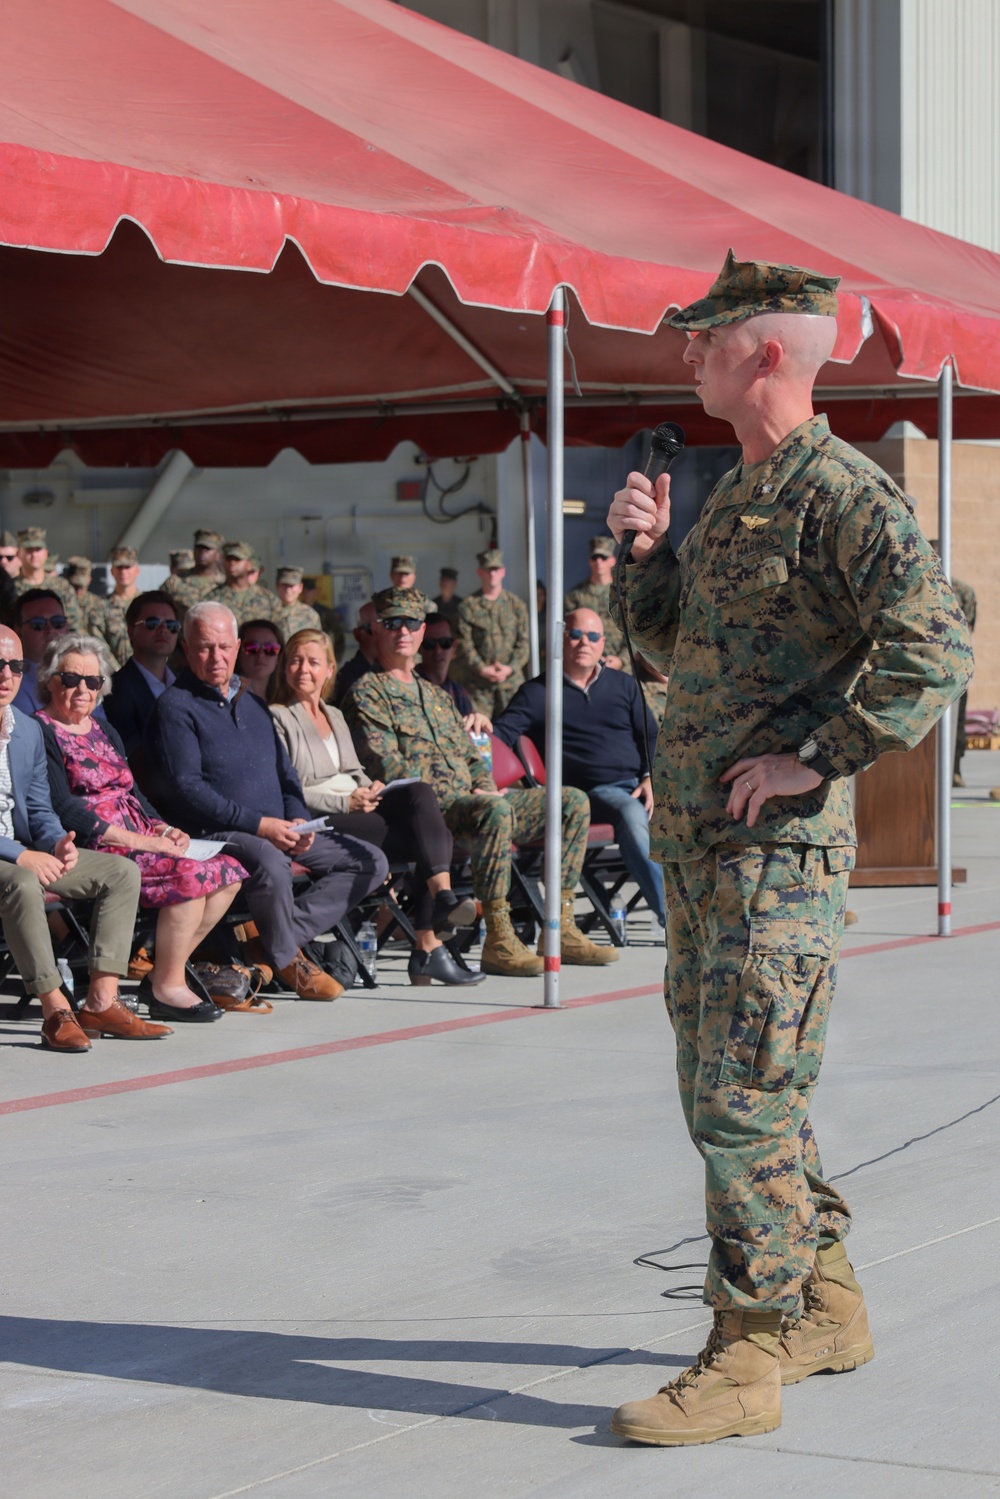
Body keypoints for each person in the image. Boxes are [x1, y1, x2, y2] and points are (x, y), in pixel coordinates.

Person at [604, 251, 973, 1448]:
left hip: (777, 862)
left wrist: (819, 754)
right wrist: (647, 557)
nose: (684, 354)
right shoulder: (740, 493)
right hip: (706, 854)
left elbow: (932, 647)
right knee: (741, 1099)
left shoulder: (843, 493)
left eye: (701, 338)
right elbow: (671, 651)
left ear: (764, 352)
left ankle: (745, 1351)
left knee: (742, 1102)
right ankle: (824, 1301)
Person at [345, 586, 616, 978]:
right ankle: (499, 938)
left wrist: (485, 783)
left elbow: (471, 755)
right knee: (492, 809)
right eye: (392, 624)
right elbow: (388, 768)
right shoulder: (367, 694)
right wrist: (478, 796)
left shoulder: (436, 696)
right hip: (430, 817)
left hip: (474, 805)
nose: (403, 631)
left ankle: (561, 924)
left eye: (411, 623)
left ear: (421, 631)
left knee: (570, 801)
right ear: (376, 631)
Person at [144, 601, 388, 1000]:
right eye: (204, 647)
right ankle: (289, 959)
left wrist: (297, 820)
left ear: (237, 646)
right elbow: (188, 790)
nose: (216, 657)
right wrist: (262, 825)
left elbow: (286, 775)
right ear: (185, 649)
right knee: (271, 862)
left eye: (224, 646)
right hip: (215, 833)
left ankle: (275, 941)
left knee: (369, 862)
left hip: (277, 826)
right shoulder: (176, 707)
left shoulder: (253, 702)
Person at [37, 634, 243, 1021]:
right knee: (189, 874)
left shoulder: (102, 729)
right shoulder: (42, 730)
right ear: (49, 679)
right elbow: (62, 807)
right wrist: (140, 841)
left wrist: (165, 830)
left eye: (92, 681)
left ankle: (165, 974)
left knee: (228, 872)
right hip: (94, 844)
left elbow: (132, 791)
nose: (82, 689)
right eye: (70, 679)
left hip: (140, 835)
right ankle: (168, 988)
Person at [271, 628, 481, 987]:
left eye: (313, 662)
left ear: (330, 670)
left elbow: (352, 771)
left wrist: (371, 786)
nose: (303, 669)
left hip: (357, 807)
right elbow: (288, 788)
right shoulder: (277, 717)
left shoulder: (334, 715)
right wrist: (346, 800)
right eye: (295, 661)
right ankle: (429, 944)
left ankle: (438, 915)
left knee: (419, 793)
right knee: (431, 836)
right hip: (321, 817)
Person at [0, 622, 164, 1051]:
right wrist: (21, 856)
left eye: (15, 665)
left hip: (26, 852)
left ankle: (102, 1001)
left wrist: (57, 842)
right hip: (12, 862)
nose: (6, 675)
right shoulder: (42, 725)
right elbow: (21, 862)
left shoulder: (26, 729)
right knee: (21, 881)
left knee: (122, 872)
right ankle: (55, 1009)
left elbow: (39, 806)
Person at [494, 608, 665, 930]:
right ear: (560, 640)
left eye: (593, 636)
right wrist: (485, 769)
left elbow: (651, 735)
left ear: (603, 644)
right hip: (586, 795)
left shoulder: (625, 685)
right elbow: (499, 738)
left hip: (641, 784)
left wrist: (650, 777)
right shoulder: (537, 693)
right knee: (631, 811)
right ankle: (675, 920)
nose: (583, 642)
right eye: (574, 634)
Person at [104, 592, 182, 756]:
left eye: (171, 625)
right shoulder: (115, 689)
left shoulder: (185, 684)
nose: (163, 630)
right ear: (131, 632)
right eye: (152, 623)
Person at [454, 548, 530, 718]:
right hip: (479, 687)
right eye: (488, 569)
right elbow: (463, 643)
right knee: (481, 736)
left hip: (511, 684)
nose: (492, 574)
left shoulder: (516, 605)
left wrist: (510, 668)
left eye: (496, 569)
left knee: (515, 734)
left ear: (503, 572)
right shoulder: (468, 606)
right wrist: (482, 669)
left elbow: (523, 643)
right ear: (480, 572)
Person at [564, 535, 629, 671]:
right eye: (595, 557)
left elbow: (635, 633)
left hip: (620, 667)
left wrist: (621, 660)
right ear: (590, 561)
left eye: (603, 557)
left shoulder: (625, 594)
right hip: (585, 667)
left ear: (612, 561)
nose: (599, 561)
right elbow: (567, 633)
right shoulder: (576, 595)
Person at [417, 612, 487, 728]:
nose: (438, 651)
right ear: (419, 648)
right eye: (429, 644)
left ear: (454, 646)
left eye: (445, 643)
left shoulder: (459, 693)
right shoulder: (410, 687)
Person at [12, 590, 71, 714]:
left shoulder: (85, 674)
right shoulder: (10, 681)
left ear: (67, 627)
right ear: (19, 632)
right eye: (38, 624)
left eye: (57, 622)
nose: (50, 630)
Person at [13, 528, 81, 631]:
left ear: (46, 553)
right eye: (29, 550)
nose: (34, 554)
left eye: (38, 549)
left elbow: (73, 624)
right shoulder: (9, 588)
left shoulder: (62, 586)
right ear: (18, 553)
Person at [207, 541, 279, 626]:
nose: (232, 563)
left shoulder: (268, 599)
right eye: (229, 559)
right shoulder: (212, 599)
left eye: (237, 559)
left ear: (249, 565)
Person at [93, 545, 141, 667]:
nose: (123, 572)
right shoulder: (101, 606)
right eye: (119, 567)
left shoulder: (148, 604)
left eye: (128, 567)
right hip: (114, 676)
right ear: (112, 571)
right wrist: (118, 672)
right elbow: (99, 644)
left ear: (137, 570)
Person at [162, 529, 225, 617]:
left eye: (208, 549)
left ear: (218, 555)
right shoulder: (174, 582)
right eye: (199, 548)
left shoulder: (224, 584)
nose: (202, 552)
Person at [332, 600, 377, 707]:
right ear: (358, 635)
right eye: (373, 629)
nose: (382, 635)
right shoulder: (347, 680)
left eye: (389, 626)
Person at [236, 618, 284, 701]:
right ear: (238, 653)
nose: (261, 655)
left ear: (279, 657)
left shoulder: (286, 698)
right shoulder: (228, 695)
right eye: (251, 647)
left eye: (271, 648)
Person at [301, 576, 345, 662]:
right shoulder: (295, 611)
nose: (307, 594)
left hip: (320, 653)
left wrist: (336, 656)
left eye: (310, 590)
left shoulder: (324, 612)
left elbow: (339, 634)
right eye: (305, 591)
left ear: (315, 591)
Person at [273, 566, 322, 641]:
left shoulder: (310, 615)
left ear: (300, 587)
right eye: (285, 585)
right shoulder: (267, 612)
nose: (288, 590)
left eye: (292, 586)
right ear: (277, 586)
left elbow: (317, 643)